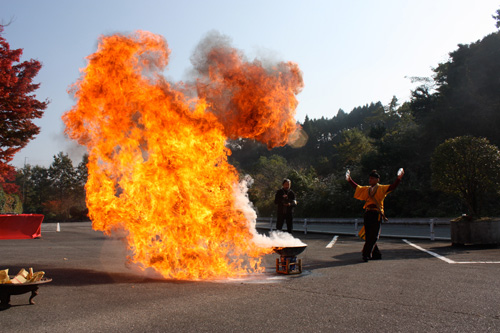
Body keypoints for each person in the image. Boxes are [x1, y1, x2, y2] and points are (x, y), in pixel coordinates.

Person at [347, 169, 404, 262]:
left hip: (376, 213)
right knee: (369, 234)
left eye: (372, 178)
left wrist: (398, 178)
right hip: (368, 213)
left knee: (374, 236)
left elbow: (393, 187)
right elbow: (357, 187)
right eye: (369, 178)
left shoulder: (382, 188)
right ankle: (376, 254)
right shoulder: (367, 189)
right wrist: (350, 180)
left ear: (378, 180)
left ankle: (366, 254)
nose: (370, 180)